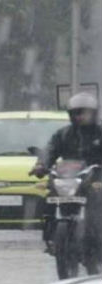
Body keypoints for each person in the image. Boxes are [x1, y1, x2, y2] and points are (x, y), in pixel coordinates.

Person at [30, 91, 102, 251]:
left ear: (94, 114)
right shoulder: (63, 134)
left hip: (97, 177)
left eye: (85, 113)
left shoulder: (100, 132)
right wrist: (41, 164)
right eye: (76, 113)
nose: (80, 117)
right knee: (49, 195)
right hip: (70, 177)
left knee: (98, 195)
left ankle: (97, 234)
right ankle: (51, 235)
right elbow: (50, 150)